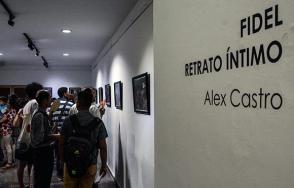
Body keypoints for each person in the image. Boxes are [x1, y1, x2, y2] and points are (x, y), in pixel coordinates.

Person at [60, 89, 108, 188]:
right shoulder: (98, 123)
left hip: (70, 162)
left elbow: (61, 142)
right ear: (90, 103)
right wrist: (103, 165)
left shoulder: (68, 121)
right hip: (90, 163)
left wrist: (62, 160)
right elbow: (103, 146)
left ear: (77, 103)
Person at [16, 82, 43, 188]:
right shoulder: (35, 103)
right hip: (30, 139)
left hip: (23, 138)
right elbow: (34, 122)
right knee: (31, 164)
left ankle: (23, 185)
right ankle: (31, 185)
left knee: (23, 165)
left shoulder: (27, 103)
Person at [31, 90, 55, 188]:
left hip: (41, 151)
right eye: (49, 99)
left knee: (42, 178)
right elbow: (40, 138)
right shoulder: (40, 115)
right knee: (43, 179)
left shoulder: (40, 113)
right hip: (42, 151)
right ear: (45, 100)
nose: (51, 101)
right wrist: (55, 136)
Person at [52, 87, 74, 179]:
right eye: (68, 92)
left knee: (58, 154)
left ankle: (59, 174)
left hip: (56, 133)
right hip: (67, 134)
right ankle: (68, 172)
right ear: (65, 94)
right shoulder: (70, 104)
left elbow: (51, 118)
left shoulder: (53, 104)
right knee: (69, 153)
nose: (69, 94)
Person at [0, 95, 18, 169]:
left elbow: (6, 120)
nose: (6, 103)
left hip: (7, 130)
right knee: (3, 147)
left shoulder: (13, 110)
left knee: (8, 147)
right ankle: (5, 160)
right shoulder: (7, 110)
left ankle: (10, 162)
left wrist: (2, 119)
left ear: (11, 103)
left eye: (8, 102)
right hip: (2, 130)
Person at [0, 96, 8, 164]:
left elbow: (4, 116)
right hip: (2, 127)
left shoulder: (6, 107)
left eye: (1, 101)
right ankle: (4, 159)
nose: (0, 102)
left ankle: (7, 160)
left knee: (6, 145)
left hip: (5, 128)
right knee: (2, 145)